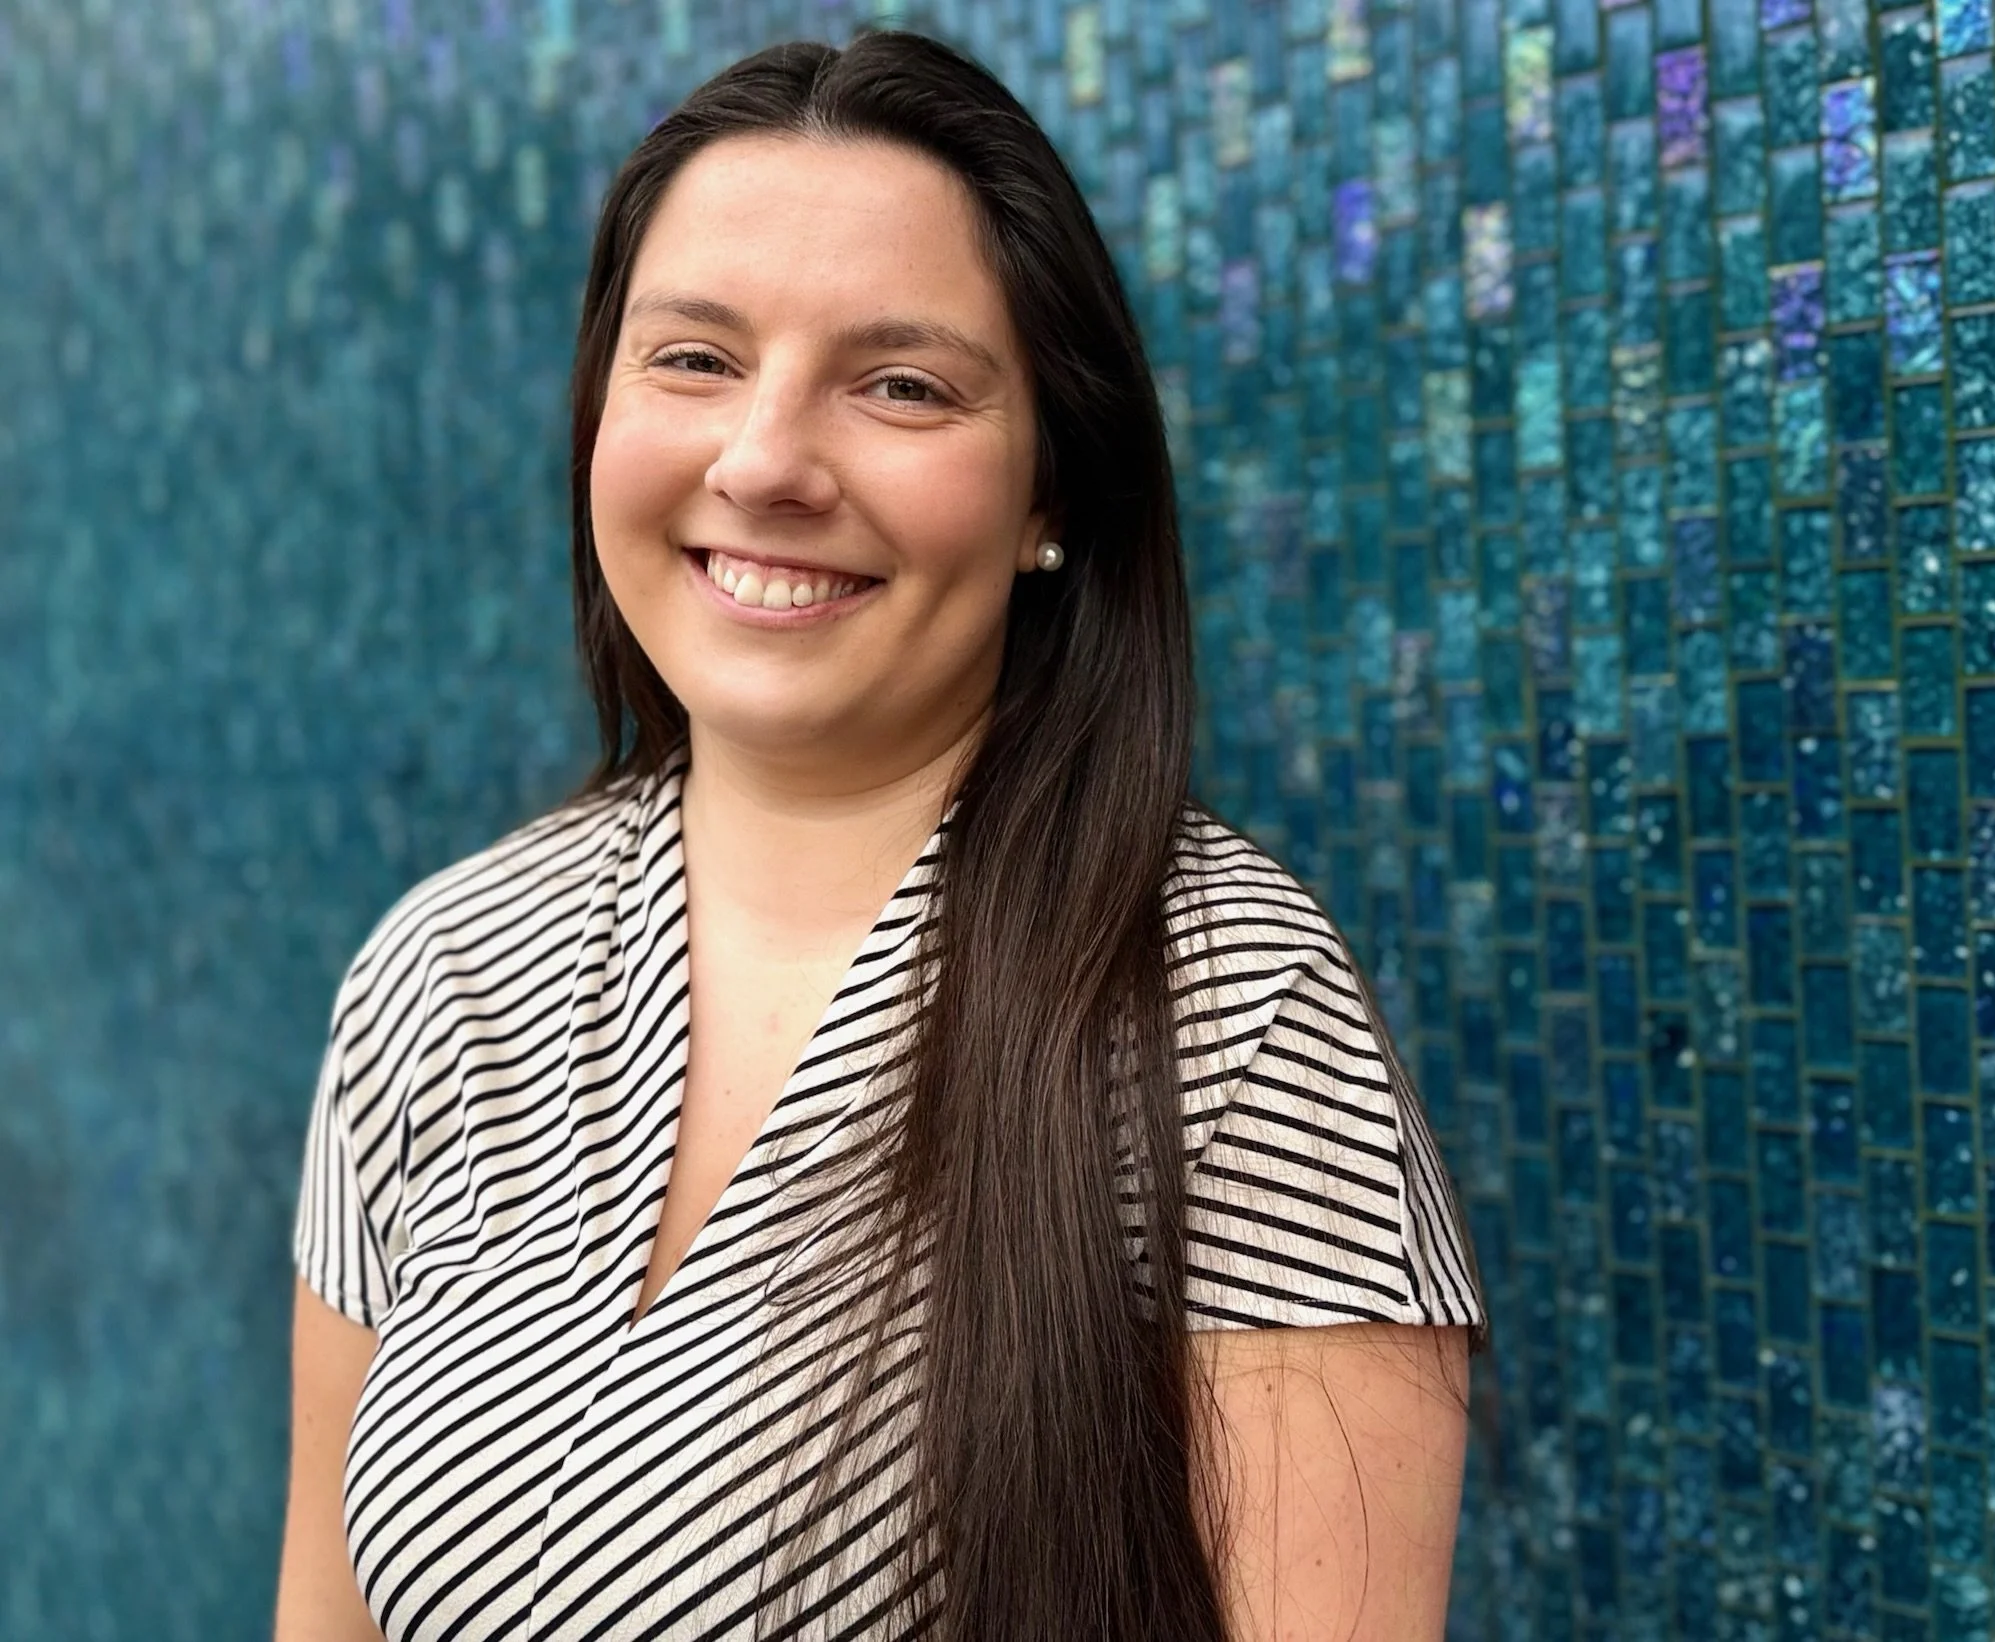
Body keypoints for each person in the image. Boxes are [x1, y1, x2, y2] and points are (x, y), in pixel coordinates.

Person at [275, 27, 1486, 1642]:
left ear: (1053, 489)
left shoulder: (1226, 1004)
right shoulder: (441, 976)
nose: (765, 459)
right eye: (694, 358)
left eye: (899, 383)